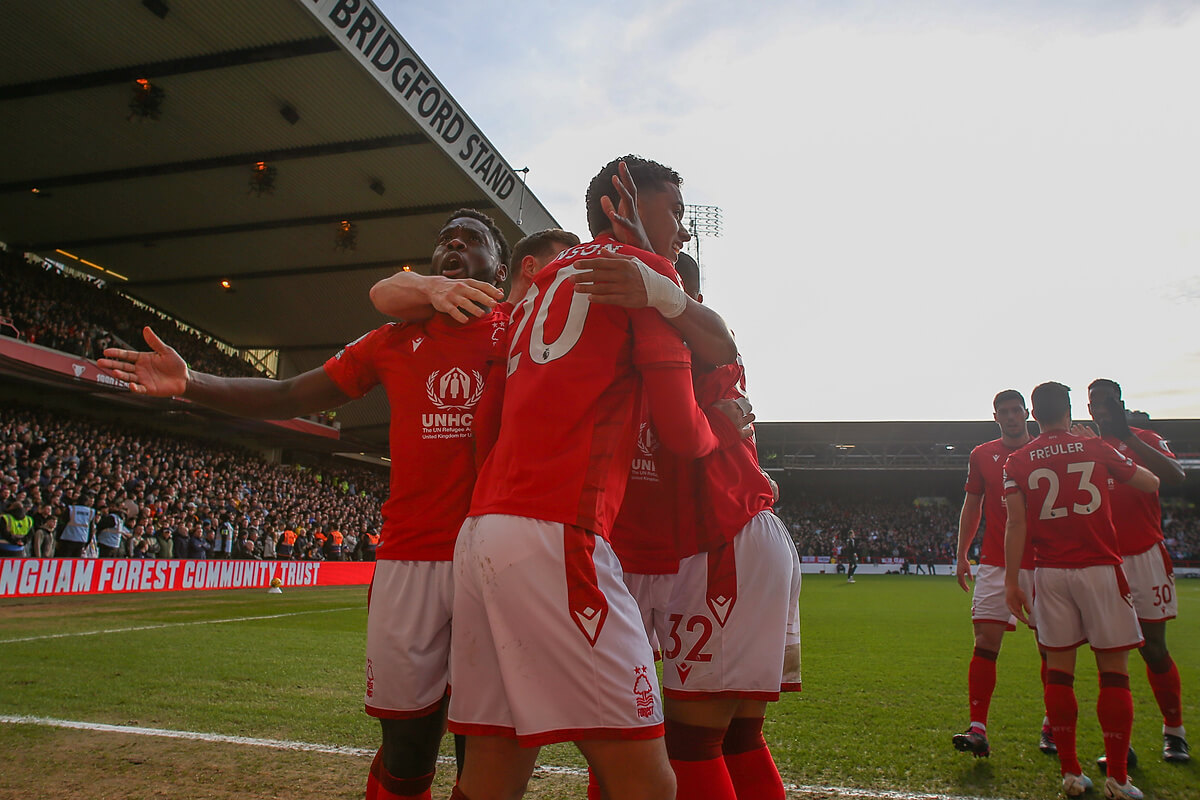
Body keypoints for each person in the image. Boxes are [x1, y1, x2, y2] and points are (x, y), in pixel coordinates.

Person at [101, 207, 515, 800]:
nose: (453, 247)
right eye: (444, 242)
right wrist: (192, 383)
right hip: (408, 560)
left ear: (497, 267)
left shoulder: (520, 330)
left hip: (491, 560)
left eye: (471, 241)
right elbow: (287, 393)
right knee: (406, 751)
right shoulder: (394, 340)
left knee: (483, 754)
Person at [445, 155, 748, 800]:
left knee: (494, 768)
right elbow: (684, 428)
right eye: (673, 213)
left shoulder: (542, 283)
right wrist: (723, 423)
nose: (681, 231)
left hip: (482, 532)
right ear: (623, 206)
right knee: (647, 778)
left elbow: (485, 424)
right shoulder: (639, 275)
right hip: (557, 530)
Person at [1004, 382, 1159, 800]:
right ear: (1071, 411)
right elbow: (1150, 482)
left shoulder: (1017, 461)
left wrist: (1011, 581)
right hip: (1101, 569)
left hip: (1051, 574)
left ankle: (1071, 774)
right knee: (1114, 672)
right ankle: (1119, 779)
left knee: (1059, 673)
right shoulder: (1093, 447)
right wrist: (1108, 453)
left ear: (1034, 416)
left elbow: (1015, 524)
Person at [1085, 379, 1189, 766]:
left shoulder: (1145, 438)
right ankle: (1119, 742)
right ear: (1089, 407)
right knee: (1111, 652)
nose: (1101, 408)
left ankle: (1174, 732)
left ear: (1121, 402)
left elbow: (1177, 476)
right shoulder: (1088, 447)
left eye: (1108, 401)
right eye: (1094, 402)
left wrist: (1130, 435)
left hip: (1145, 554)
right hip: (1103, 560)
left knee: (1154, 649)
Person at [952, 389, 1050, 758]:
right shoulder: (982, 455)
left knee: (1050, 647)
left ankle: (1052, 725)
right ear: (995, 416)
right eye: (1003, 411)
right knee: (985, 643)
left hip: (1043, 563)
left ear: (1027, 412)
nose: (1011, 416)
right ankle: (977, 728)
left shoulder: (1046, 449)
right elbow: (972, 505)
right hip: (994, 562)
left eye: (1016, 410)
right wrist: (962, 553)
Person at [57, 493, 95, 558]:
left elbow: (63, 522)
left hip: (68, 538)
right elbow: (91, 528)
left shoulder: (71, 508)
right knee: (76, 560)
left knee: (65, 559)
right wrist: (88, 541)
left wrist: (58, 537)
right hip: (82, 538)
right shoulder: (91, 511)